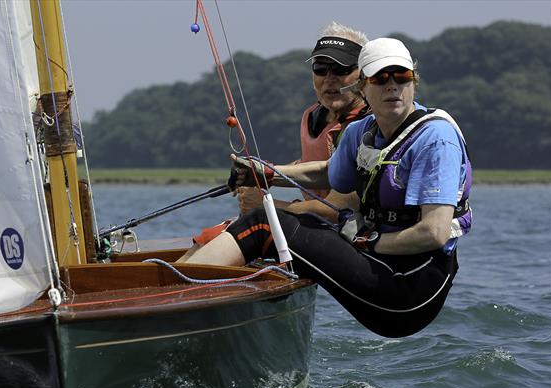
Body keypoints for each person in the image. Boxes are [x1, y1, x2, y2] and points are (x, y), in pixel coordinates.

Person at [183, 37, 472, 338]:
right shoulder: (363, 131)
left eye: (402, 76)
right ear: (362, 87)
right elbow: (329, 173)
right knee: (283, 230)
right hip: (379, 264)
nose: (392, 86)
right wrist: (265, 172)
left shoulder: (436, 139)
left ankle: (176, 302)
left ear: (414, 81)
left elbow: (434, 233)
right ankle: (186, 303)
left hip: (410, 289)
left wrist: (367, 242)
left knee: (264, 225)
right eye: (380, 77)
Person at [180, 23, 370, 258]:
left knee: (249, 226)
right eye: (321, 68)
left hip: (345, 235)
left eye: (341, 70)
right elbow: (312, 162)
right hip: (308, 222)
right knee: (205, 242)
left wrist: (266, 205)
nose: (329, 79)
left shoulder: (367, 127)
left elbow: (336, 209)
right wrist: (259, 174)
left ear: (363, 74)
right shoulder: (315, 114)